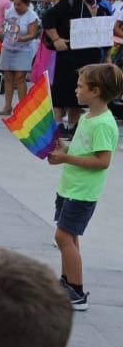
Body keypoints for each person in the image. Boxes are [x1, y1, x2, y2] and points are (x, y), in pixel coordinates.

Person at [47, 62, 123, 311]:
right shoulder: (89, 117)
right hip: (71, 187)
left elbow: (102, 161)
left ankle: (77, 292)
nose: (76, 90)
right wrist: (65, 149)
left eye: (80, 86)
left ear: (96, 91)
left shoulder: (103, 124)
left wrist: (66, 159)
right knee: (69, 237)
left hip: (83, 192)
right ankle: (67, 282)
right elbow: (83, 150)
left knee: (62, 236)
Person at [42, 0, 112, 134]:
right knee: (62, 89)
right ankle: (58, 124)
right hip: (68, 56)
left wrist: (108, 56)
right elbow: (48, 18)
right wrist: (56, 39)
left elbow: (106, 32)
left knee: (83, 91)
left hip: (91, 59)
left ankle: (72, 126)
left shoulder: (102, 6)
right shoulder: (71, 2)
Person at [0, 0, 41, 111]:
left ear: (26, 4)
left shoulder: (32, 16)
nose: (16, 7)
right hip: (7, 47)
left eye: (19, 4)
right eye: (15, 4)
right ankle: (7, 106)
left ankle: (23, 107)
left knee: (20, 77)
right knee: (7, 76)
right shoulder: (9, 12)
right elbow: (2, 25)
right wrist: (1, 29)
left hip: (24, 49)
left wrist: (20, 38)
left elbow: (33, 34)